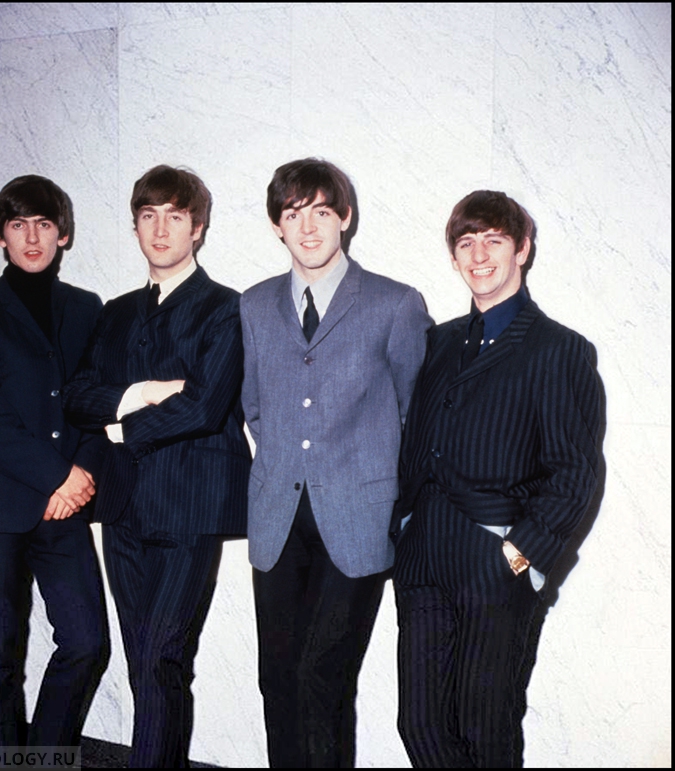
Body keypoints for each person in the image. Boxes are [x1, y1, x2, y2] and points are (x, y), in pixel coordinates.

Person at [392, 190, 604, 768]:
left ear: (523, 249)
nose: (478, 254)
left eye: (493, 240)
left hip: (494, 560)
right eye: (466, 242)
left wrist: (520, 555)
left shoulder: (559, 349)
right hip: (421, 557)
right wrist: (402, 528)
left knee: (486, 727)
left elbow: (576, 471)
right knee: (420, 724)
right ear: (454, 257)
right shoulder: (437, 342)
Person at [240, 158, 432, 768]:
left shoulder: (396, 304)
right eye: (293, 214)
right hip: (276, 517)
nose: (308, 227)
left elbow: (414, 411)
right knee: (277, 678)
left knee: (323, 678)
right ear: (277, 226)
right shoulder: (252, 304)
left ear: (345, 218)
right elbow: (254, 404)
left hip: (357, 519)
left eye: (322, 211)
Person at [63, 165, 250, 768]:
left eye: (175, 216)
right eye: (149, 216)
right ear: (136, 227)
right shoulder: (115, 313)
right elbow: (77, 396)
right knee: (140, 657)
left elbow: (204, 403)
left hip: (191, 507)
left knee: (162, 658)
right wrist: (136, 395)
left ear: (198, 228)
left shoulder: (227, 308)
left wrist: (117, 422)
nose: (161, 228)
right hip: (122, 510)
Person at [0, 175, 110, 747]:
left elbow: (94, 400)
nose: (32, 237)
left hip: (64, 506)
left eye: (43, 224)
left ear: (62, 234)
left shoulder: (88, 309)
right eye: (18, 225)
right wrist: (57, 475)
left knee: (87, 642)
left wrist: (80, 476)